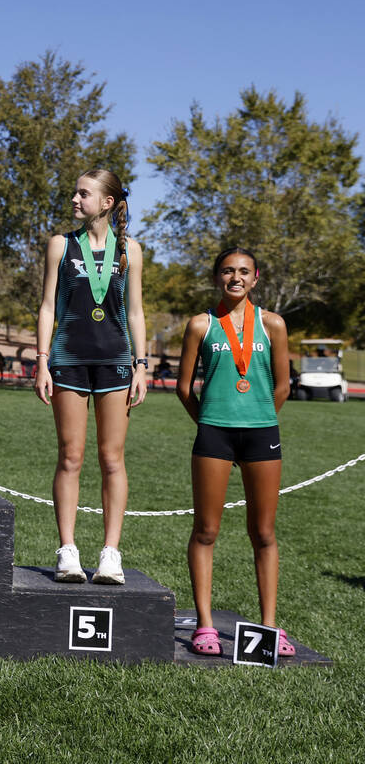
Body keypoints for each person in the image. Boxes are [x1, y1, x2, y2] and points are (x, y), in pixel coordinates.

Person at [176, 247, 294, 657]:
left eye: (244, 271)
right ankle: (205, 626)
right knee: (206, 530)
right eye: (227, 271)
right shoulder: (200, 325)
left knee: (263, 533)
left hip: (262, 435)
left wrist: (257, 416)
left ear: (256, 278)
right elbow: (184, 388)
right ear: (216, 278)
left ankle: (270, 627)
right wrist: (211, 422)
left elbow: (283, 387)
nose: (236, 278)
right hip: (214, 436)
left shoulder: (274, 324)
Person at [34, 169, 146, 585]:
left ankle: (111, 554)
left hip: (116, 362)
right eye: (75, 191)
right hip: (68, 360)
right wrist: (42, 360)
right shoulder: (60, 245)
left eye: (84, 193)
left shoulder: (130, 250)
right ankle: (68, 551)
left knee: (112, 459)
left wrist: (141, 364)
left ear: (107, 202)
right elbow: (48, 306)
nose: (76, 199)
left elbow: (135, 312)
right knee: (70, 457)